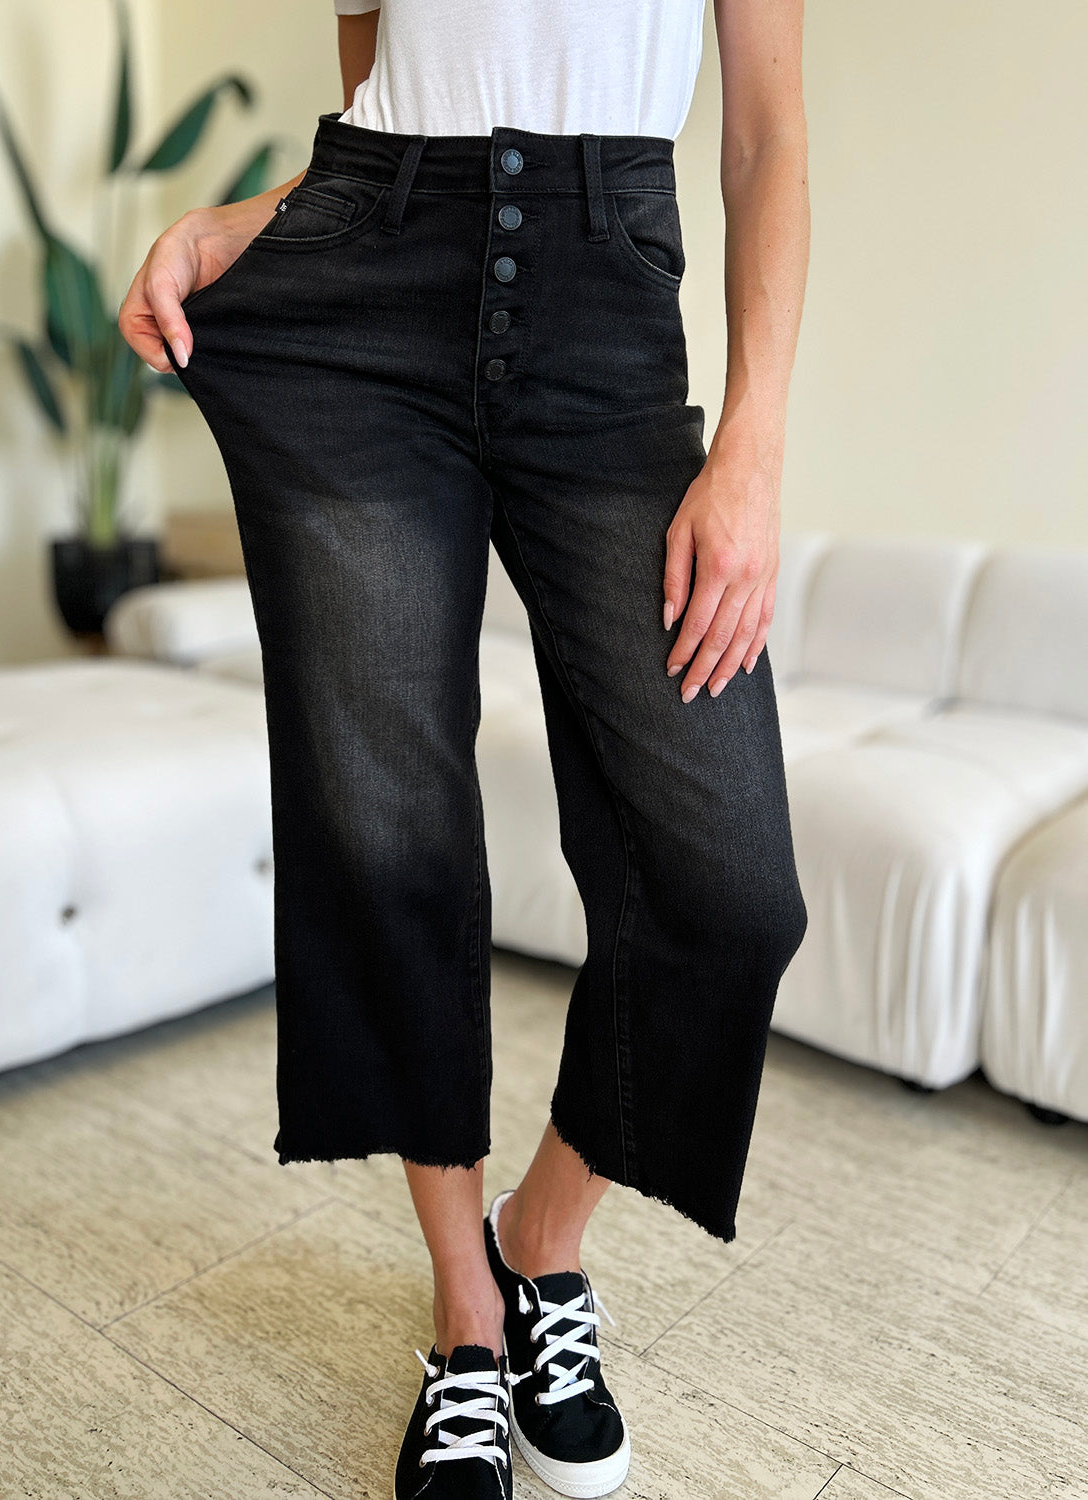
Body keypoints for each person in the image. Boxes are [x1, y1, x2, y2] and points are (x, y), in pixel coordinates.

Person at [121, 1, 810, 1494]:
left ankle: (537, 1244)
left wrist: (748, 446)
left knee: (729, 884)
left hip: (609, 301)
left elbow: (760, 136)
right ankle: (467, 1322)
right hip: (364, 294)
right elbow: (384, 101)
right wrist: (246, 224)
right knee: (386, 836)